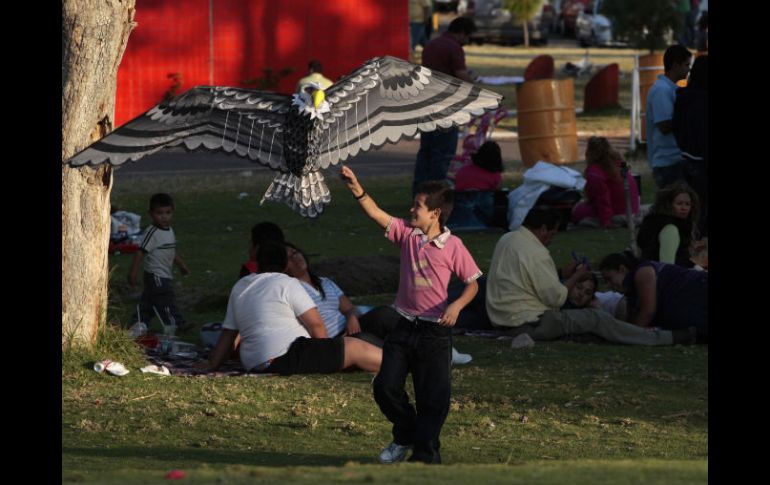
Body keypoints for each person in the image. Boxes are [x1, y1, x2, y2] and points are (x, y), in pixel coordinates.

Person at [341, 164, 482, 464]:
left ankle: (424, 456)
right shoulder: (408, 235)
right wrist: (356, 188)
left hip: (434, 334)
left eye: (417, 206)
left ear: (435, 213)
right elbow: (376, 214)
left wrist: (456, 306)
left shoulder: (454, 246)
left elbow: (472, 284)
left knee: (433, 399)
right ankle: (405, 434)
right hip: (403, 325)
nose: (411, 210)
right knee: (385, 387)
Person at [485, 205, 696, 345]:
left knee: (590, 329)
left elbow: (522, 275)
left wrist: (561, 273)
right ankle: (665, 338)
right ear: (542, 229)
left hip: (503, 319)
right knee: (597, 318)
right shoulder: (537, 252)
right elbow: (555, 298)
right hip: (531, 322)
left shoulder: (508, 239)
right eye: (551, 234)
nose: (550, 240)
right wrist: (576, 277)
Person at [205, 242, 382, 375]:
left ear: (257, 264)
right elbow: (316, 325)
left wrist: (212, 365)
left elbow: (228, 334)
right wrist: (326, 353)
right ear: (284, 266)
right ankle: (396, 367)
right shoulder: (287, 282)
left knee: (356, 344)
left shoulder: (240, 286)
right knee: (355, 347)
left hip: (254, 363)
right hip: (286, 355)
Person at [412, 16, 478, 196]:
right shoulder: (454, 48)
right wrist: (474, 82)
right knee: (443, 153)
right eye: (468, 37)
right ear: (462, 33)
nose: (467, 41)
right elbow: (462, 76)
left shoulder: (431, 45)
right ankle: (435, 196)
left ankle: (419, 194)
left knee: (426, 151)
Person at [599, 252, 708, 342]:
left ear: (622, 269)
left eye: (609, 278)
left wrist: (628, 335)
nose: (608, 285)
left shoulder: (643, 272)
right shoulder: (632, 291)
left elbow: (647, 312)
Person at [128, 193, 190, 330]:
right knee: (165, 298)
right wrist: (133, 273)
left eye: (168, 212)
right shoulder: (152, 233)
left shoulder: (169, 231)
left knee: (148, 302)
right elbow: (140, 252)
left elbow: (171, 251)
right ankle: (176, 323)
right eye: (159, 213)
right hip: (155, 275)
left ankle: (137, 323)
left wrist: (181, 266)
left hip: (164, 274)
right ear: (151, 214)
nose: (164, 217)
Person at [645, 45, 692, 189]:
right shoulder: (662, 90)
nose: (689, 69)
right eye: (686, 65)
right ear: (675, 65)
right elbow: (664, 125)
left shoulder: (671, 89)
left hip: (674, 160)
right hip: (668, 162)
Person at [672, 54, 708, 236]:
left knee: (692, 210)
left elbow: (676, 127)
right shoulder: (702, 102)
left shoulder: (683, 98)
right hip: (702, 162)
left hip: (686, 158)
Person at [571, 136, 639, 228]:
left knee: (577, 211)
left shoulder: (595, 173)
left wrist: (606, 221)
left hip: (617, 212)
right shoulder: (618, 163)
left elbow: (603, 199)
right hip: (632, 209)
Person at [636, 182, 700, 268]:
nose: (684, 208)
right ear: (668, 205)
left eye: (687, 204)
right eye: (679, 203)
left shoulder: (682, 225)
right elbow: (667, 267)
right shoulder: (670, 229)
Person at [449, 141, 504, 228]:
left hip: (460, 209)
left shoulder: (463, 171)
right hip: (484, 213)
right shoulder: (495, 176)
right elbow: (498, 194)